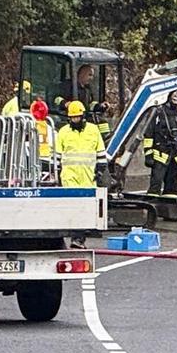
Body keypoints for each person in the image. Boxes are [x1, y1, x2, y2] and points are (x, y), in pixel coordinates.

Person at [56, 101, 106, 248]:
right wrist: (58, 173)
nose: (75, 120)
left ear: (83, 116)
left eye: (77, 117)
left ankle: (80, 237)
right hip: (69, 175)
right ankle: (75, 238)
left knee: (85, 208)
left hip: (88, 175)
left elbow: (101, 152)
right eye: (73, 118)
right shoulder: (63, 132)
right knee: (73, 207)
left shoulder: (93, 130)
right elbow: (58, 156)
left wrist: (101, 169)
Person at [143, 90, 177, 200]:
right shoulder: (157, 112)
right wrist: (148, 154)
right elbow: (148, 134)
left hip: (174, 156)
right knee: (155, 185)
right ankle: (151, 209)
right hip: (160, 155)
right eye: (175, 95)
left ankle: (170, 211)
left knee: (172, 188)